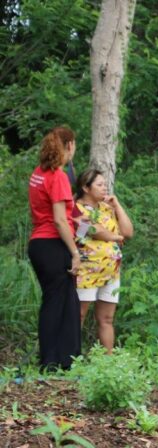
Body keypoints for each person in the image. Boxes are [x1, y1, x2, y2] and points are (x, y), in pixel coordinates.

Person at [27, 126, 81, 371]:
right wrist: (75, 252)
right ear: (69, 145)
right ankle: (51, 360)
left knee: (64, 300)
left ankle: (65, 359)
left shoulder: (39, 173)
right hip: (52, 243)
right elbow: (59, 220)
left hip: (39, 242)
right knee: (57, 300)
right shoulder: (58, 176)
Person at [73, 169, 133, 354]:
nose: (104, 188)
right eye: (99, 184)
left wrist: (118, 206)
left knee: (106, 319)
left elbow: (128, 233)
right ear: (85, 187)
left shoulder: (107, 208)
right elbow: (93, 230)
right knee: (79, 315)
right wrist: (115, 237)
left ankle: (108, 361)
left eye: (105, 184)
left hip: (111, 271)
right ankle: (71, 358)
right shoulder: (76, 209)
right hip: (87, 269)